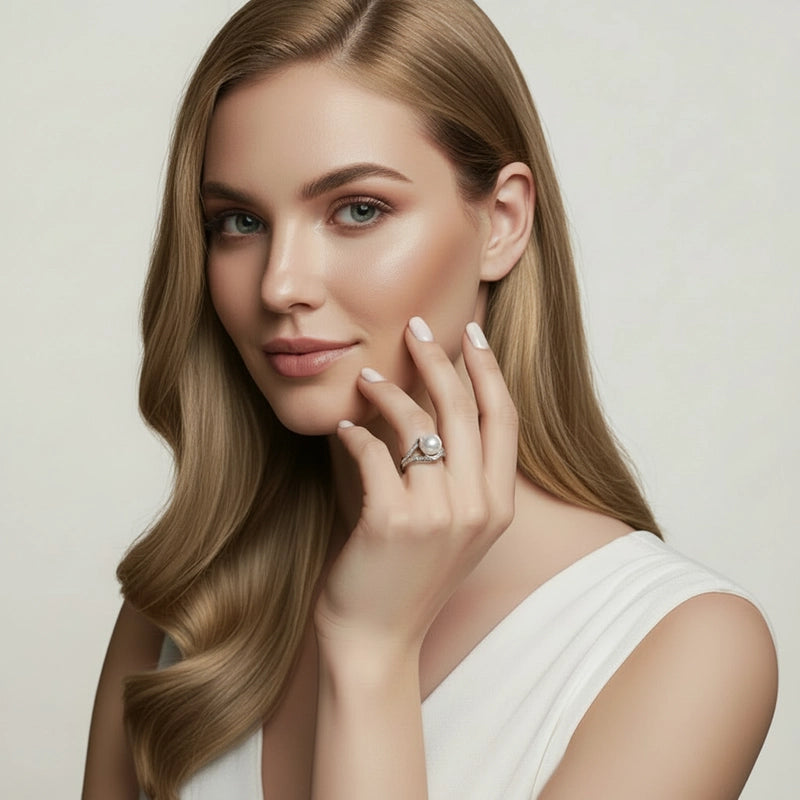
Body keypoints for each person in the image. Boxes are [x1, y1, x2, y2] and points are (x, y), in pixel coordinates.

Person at [82, 1, 778, 798]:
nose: (279, 284)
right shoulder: (188, 603)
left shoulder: (682, 648)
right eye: (237, 221)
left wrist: (371, 648)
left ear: (502, 222)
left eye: (358, 210)